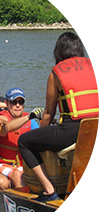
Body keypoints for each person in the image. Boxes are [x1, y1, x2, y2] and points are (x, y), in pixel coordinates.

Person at [18, 32, 99, 202]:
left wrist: (41, 134)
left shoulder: (56, 72)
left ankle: (49, 190)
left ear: (59, 51)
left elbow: (48, 113)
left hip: (73, 129)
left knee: (24, 141)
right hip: (94, 126)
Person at [0, 87, 39, 189]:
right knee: (17, 175)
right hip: (3, 164)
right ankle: (23, 200)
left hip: (24, 164)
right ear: (6, 103)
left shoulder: (32, 122)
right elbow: (5, 130)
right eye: (14, 102)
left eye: (20, 102)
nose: (18, 105)